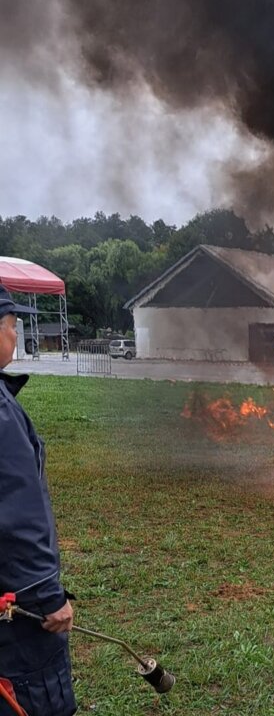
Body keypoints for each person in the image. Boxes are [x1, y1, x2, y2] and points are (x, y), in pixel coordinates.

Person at [0, 285, 77, 715]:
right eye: (11, 325)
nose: (14, 334)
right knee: (34, 694)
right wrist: (46, 595)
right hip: (15, 615)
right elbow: (14, 514)